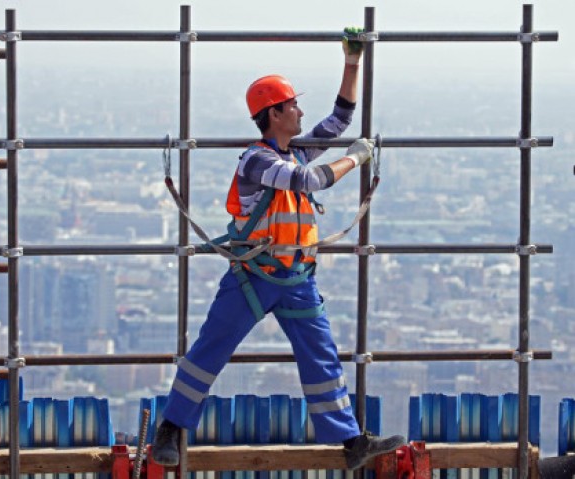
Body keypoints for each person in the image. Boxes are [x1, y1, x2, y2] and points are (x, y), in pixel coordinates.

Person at [152, 28, 405, 470]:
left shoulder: (296, 152)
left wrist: (352, 64)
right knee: (211, 347)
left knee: (320, 355)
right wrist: (356, 158)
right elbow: (309, 181)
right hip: (255, 276)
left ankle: (350, 441)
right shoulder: (259, 161)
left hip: (295, 278)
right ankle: (171, 426)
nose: (300, 111)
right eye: (292, 105)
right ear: (275, 113)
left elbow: (340, 118)